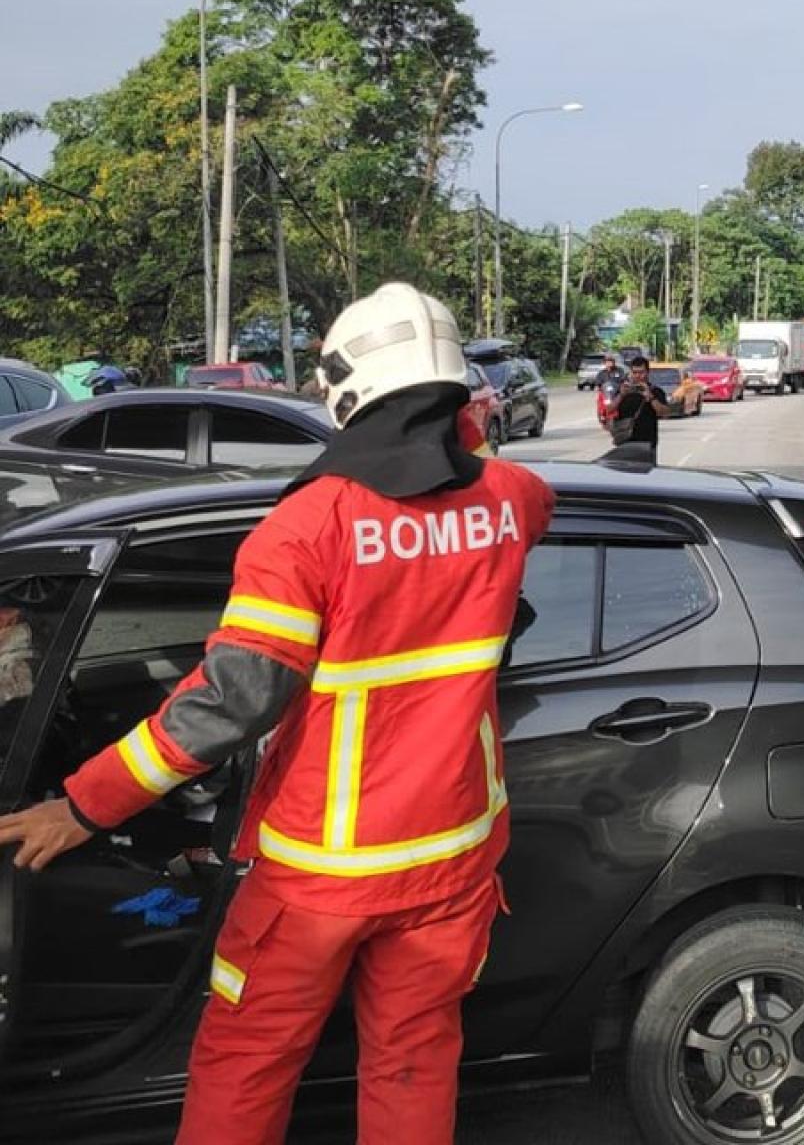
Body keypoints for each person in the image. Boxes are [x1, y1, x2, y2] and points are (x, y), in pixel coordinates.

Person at [0, 282, 555, 1145]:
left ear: (345, 390)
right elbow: (480, 476)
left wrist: (83, 806)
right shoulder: (513, 499)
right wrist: (461, 436)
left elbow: (234, 701)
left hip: (322, 870)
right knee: (412, 1065)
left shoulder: (307, 527)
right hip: (451, 857)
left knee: (248, 1060)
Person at [608, 357, 668, 460]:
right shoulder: (624, 390)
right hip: (624, 441)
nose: (638, 376)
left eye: (641, 372)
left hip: (646, 443)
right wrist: (621, 395)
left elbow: (664, 412)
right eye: (634, 372)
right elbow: (609, 409)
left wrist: (650, 397)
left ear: (648, 372)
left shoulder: (656, 391)